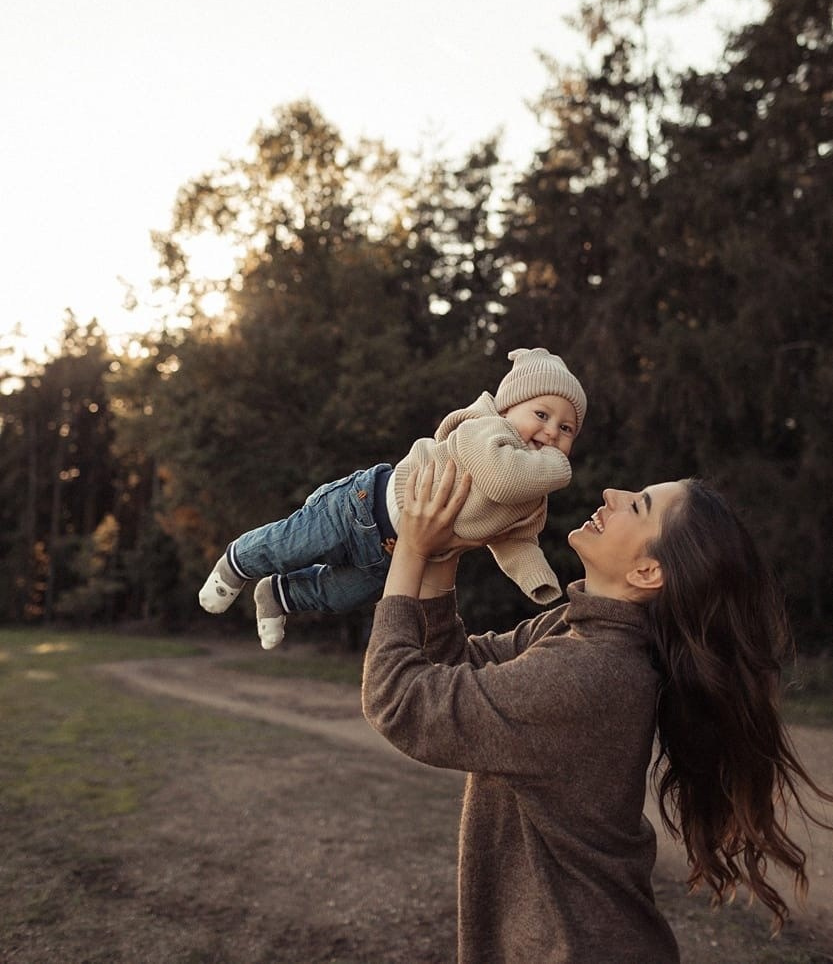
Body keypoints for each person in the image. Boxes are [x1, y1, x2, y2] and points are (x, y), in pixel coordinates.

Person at [361, 460, 833, 964]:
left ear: (647, 571)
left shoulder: (589, 672)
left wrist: (410, 550)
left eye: (638, 504)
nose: (612, 491)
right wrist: (442, 554)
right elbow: (452, 664)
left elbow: (398, 697)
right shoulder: (579, 630)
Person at [198, 347, 586, 648]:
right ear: (507, 408)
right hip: (361, 506)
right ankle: (237, 563)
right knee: (290, 545)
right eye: (541, 414)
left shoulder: (532, 496)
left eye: (566, 428)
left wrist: (536, 579)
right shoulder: (485, 431)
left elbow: (515, 539)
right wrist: (559, 469)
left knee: (341, 594)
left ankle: (279, 594)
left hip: (395, 552)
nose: (552, 432)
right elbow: (503, 479)